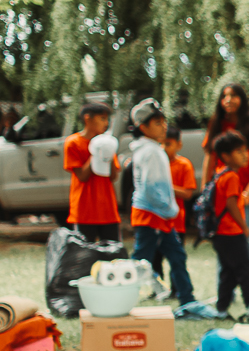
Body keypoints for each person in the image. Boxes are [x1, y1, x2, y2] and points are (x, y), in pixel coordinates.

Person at [127, 100, 194, 311]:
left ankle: (188, 300)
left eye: (164, 121)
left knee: (176, 256)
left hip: (157, 214)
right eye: (157, 123)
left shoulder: (150, 149)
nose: (164, 126)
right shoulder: (151, 151)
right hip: (152, 214)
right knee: (140, 262)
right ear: (143, 127)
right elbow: (150, 187)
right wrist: (168, 208)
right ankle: (121, 297)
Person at [201, 83, 249, 272]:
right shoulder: (217, 124)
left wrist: (248, 192)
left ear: (242, 99)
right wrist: (205, 189)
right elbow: (209, 158)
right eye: (224, 96)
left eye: (233, 96)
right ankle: (225, 286)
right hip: (224, 196)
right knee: (225, 242)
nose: (228, 100)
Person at [209, 130, 249, 316]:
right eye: (239, 151)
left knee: (228, 272)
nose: (245, 155)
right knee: (246, 270)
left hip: (221, 234)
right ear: (225, 156)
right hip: (231, 232)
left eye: (245, 150)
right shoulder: (231, 177)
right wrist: (244, 226)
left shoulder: (221, 174)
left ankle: (222, 309)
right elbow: (230, 204)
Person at [63, 102, 121, 243]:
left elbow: (113, 176)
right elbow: (82, 176)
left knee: (112, 251)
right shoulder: (73, 142)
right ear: (87, 118)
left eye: (107, 119)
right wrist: (95, 150)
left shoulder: (106, 143)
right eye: (102, 118)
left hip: (107, 210)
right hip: (85, 211)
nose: (106, 123)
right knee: (84, 252)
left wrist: (108, 151)